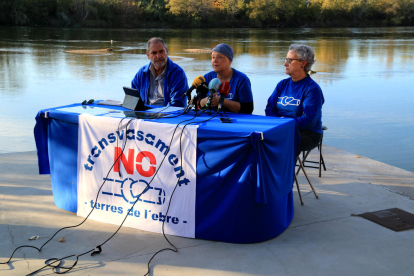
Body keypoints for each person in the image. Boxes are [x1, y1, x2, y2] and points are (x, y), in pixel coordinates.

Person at [265, 44, 324, 152]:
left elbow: (308, 121)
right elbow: (269, 109)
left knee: (275, 142)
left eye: (289, 60)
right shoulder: (282, 85)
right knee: (255, 139)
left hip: (308, 134)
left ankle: (283, 169)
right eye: (285, 60)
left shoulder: (312, 89)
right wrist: (281, 124)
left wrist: (284, 124)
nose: (285, 64)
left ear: (303, 63)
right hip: (281, 129)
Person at [131, 37, 188, 107]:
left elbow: (178, 104)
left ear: (167, 51)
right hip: (144, 115)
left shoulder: (178, 74)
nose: (158, 56)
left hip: (168, 116)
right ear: (148, 55)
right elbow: (132, 99)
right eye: (154, 53)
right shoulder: (142, 73)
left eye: (161, 51)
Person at [199, 43, 254, 114]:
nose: (215, 61)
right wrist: (203, 102)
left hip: (235, 122)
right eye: (213, 57)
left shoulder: (241, 80)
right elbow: (196, 103)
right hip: (209, 120)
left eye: (219, 57)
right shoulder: (207, 77)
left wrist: (222, 101)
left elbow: (248, 109)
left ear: (230, 61)